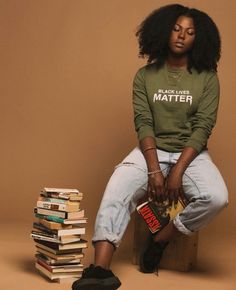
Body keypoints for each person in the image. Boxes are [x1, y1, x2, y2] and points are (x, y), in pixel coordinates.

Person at [72, 4, 228, 290]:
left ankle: (161, 239)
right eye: (176, 29)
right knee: (115, 190)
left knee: (217, 197)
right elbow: (143, 122)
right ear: (164, 31)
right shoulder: (145, 76)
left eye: (190, 32)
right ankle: (99, 270)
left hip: (191, 154)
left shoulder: (207, 78)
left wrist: (178, 171)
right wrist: (155, 169)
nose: (181, 36)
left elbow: (203, 127)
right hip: (150, 151)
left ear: (199, 38)